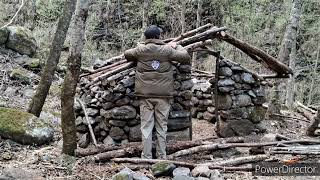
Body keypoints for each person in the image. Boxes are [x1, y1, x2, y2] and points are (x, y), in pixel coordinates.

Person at [124, 25, 191, 159]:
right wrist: (176, 45)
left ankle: (147, 157)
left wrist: (140, 45)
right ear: (158, 37)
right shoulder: (167, 50)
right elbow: (185, 57)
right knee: (162, 127)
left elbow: (127, 54)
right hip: (163, 96)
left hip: (145, 96)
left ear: (146, 37)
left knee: (146, 127)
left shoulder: (140, 50)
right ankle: (162, 156)